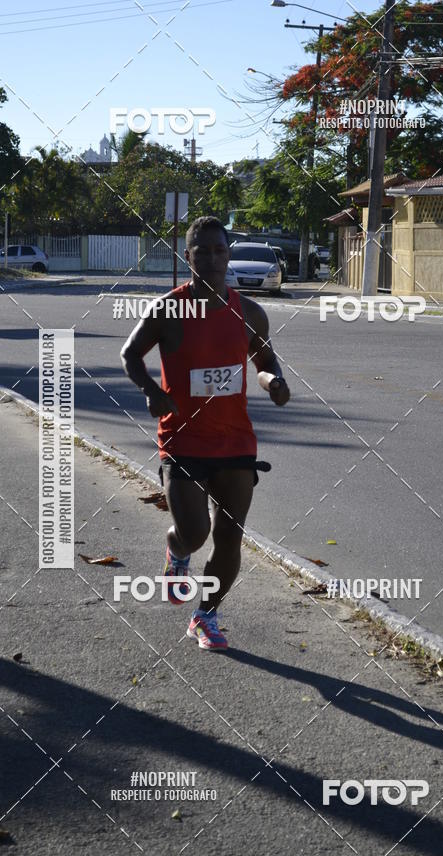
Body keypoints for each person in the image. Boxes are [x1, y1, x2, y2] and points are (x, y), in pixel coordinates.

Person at [120, 216, 290, 650]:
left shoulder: (249, 313)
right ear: (187, 255)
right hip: (182, 440)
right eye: (203, 251)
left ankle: (206, 616)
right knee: (195, 533)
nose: (213, 258)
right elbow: (130, 354)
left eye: (220, 250)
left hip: (235, 441)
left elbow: (265, 360)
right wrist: (150, 390)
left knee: (230, 537)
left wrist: (272, 382)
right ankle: (177, 552)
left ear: (228, 254)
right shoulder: (168, 309)